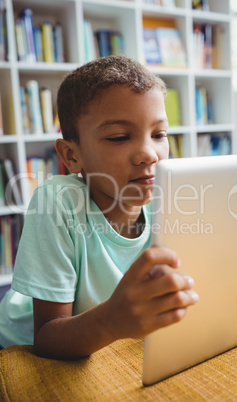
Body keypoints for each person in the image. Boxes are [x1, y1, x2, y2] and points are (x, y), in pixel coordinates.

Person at [0, 56, 198, 358]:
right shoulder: (57, 202)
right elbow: (45, 336)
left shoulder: (169, 198)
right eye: (119, 137)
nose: (149, 154)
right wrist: (111, 320)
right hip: (18, 339)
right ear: (72, 155)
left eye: (159, 135)